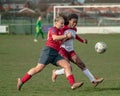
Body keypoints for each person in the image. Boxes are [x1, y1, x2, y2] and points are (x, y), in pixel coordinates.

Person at [17, 16, 84, 91]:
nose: (62, 25)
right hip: (48, 51)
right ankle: (21, 81)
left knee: (67, 66)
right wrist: (65, 36)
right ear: (56, 23)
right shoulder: (53, 29)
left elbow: (60, 41)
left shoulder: (61, 31)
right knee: (38, 69)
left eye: (63, 23)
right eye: (61, 23)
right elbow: (55, 37)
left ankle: (73, 84)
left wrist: (67, 38)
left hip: (55, 53)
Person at [52, 13, 104, 87]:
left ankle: (93, 80)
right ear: (69, 21)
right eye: (73, 22)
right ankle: (56, 72)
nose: (75, 24)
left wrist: (82, 40)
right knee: (68, 67)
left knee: (81, 65)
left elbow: (75, 36)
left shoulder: (74, 29)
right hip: (62, 50)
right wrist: (66, 38)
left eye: (76, 22)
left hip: (71, 51)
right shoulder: (63, 28)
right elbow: (58, 39)